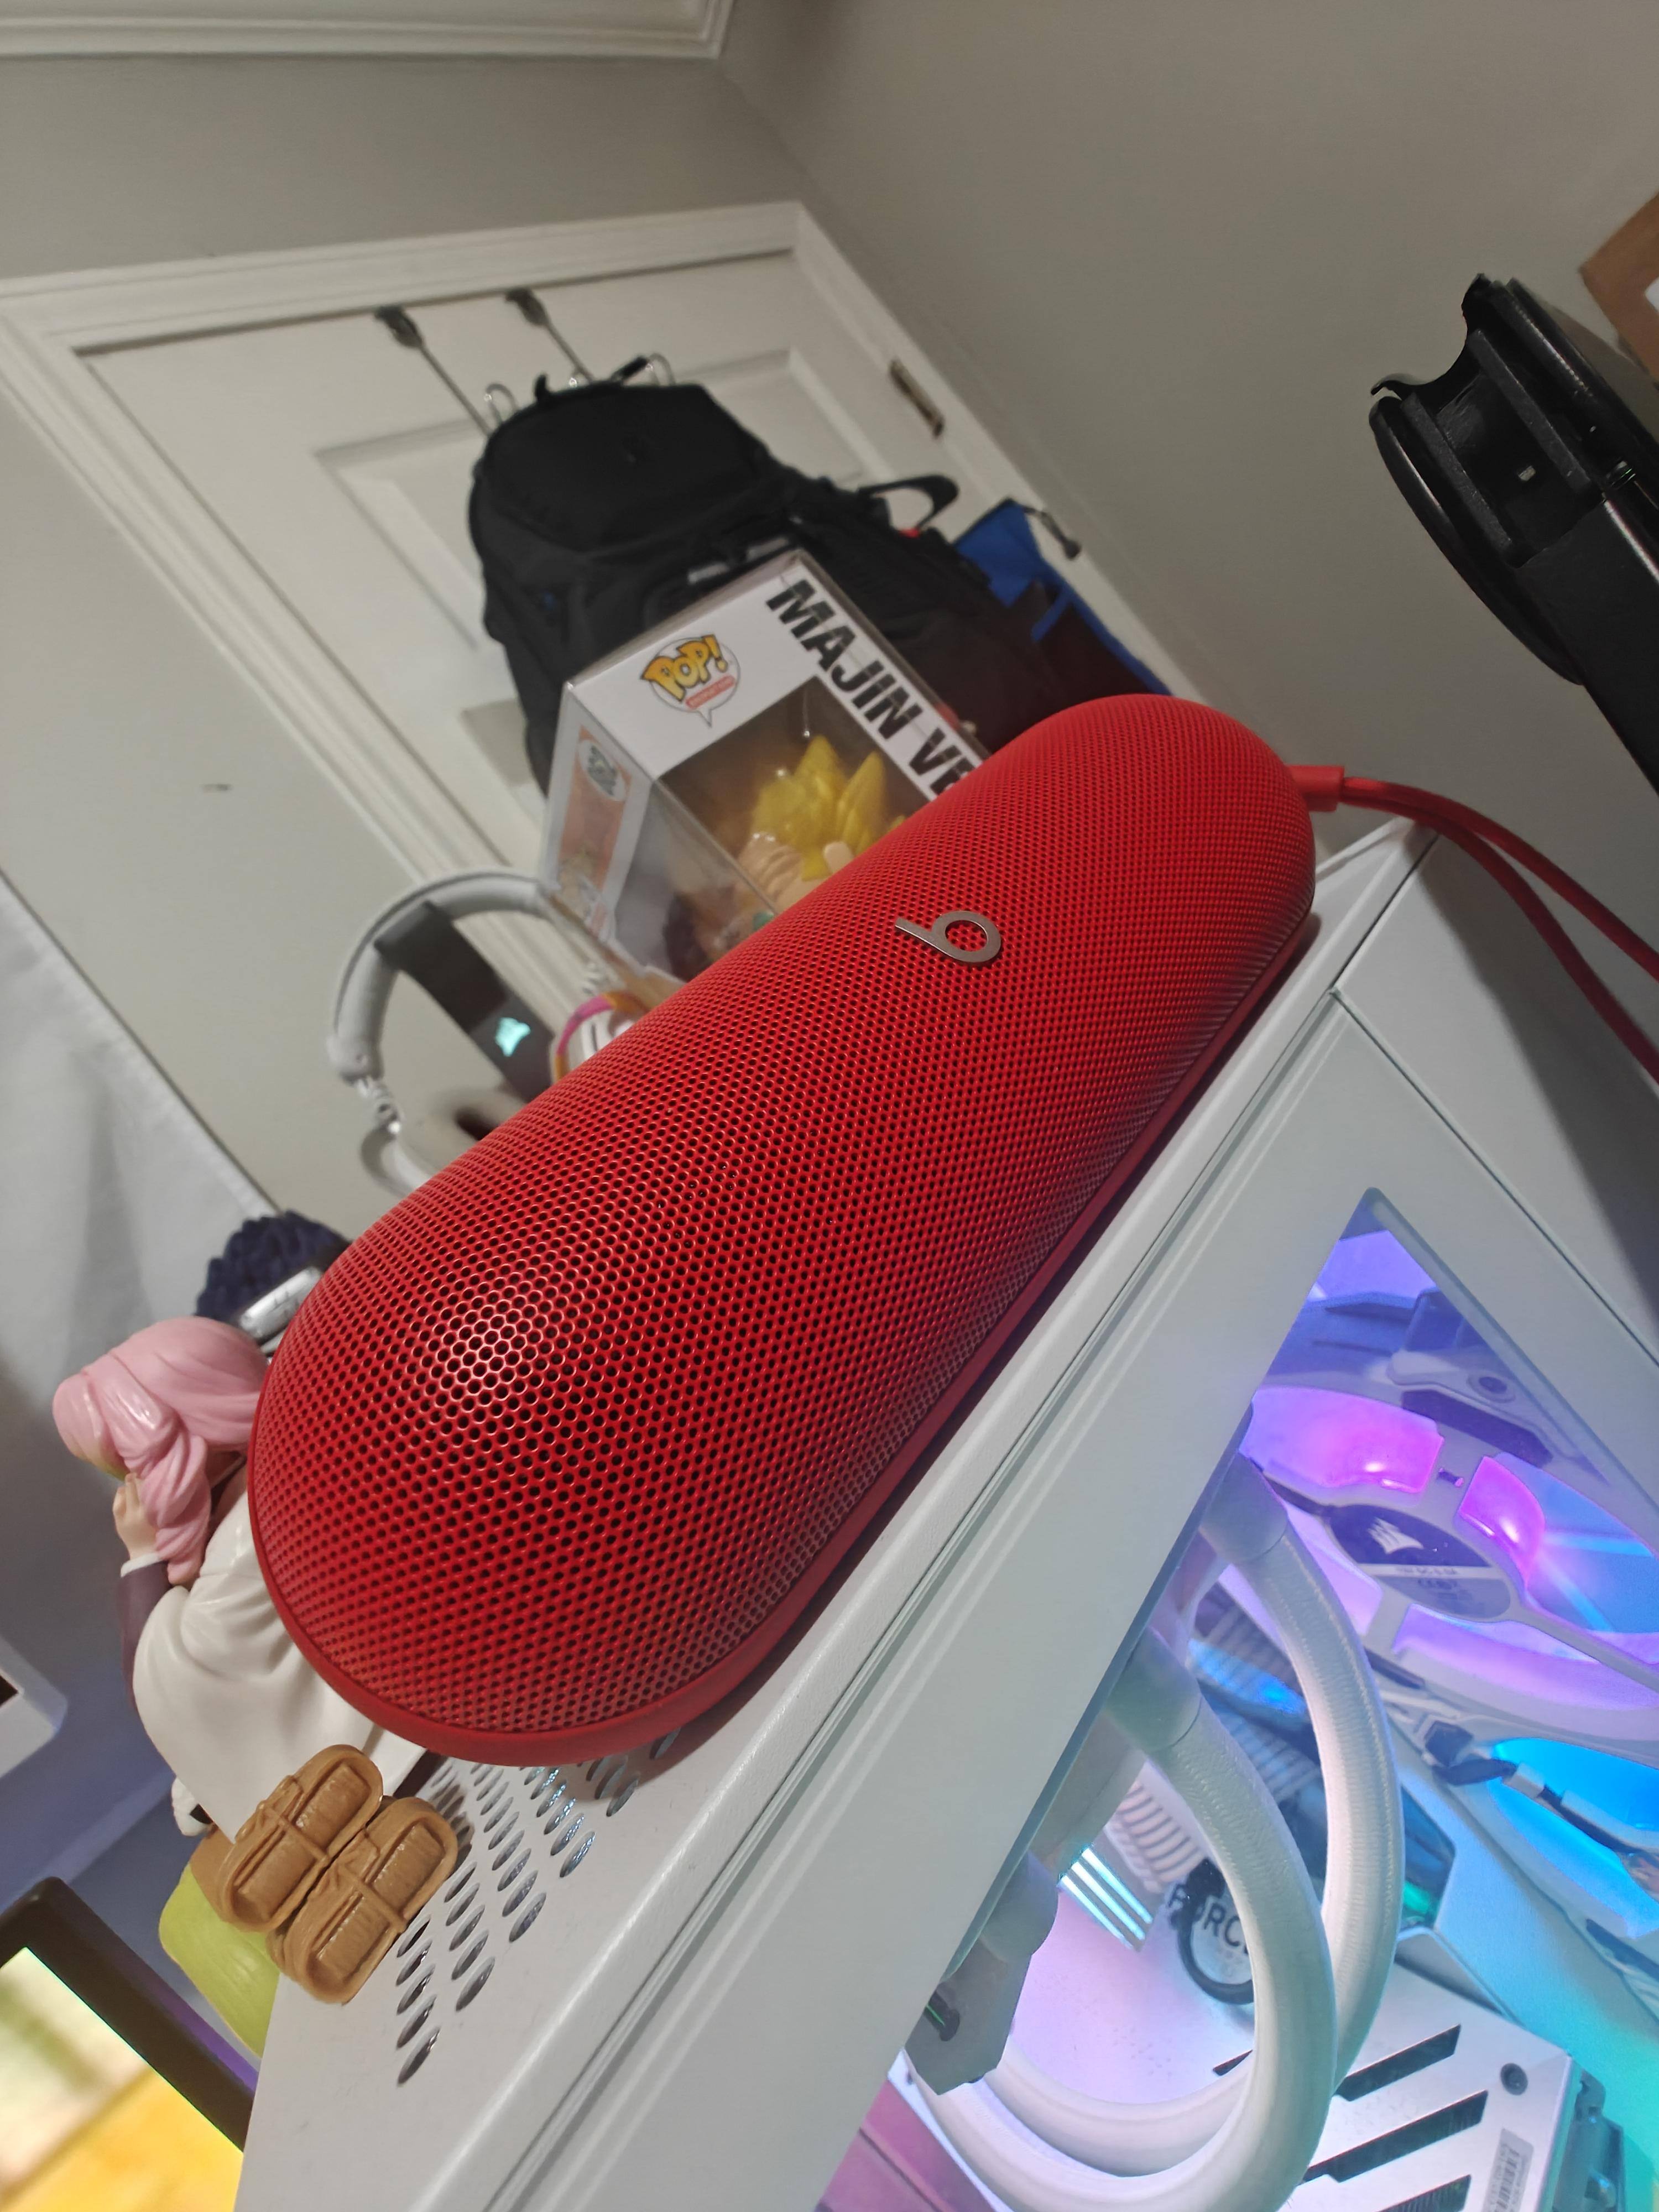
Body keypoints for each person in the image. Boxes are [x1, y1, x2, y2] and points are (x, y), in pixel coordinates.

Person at [53, 1316, 425, 1840]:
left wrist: (142, 1562)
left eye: (130, 1467)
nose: (131, 1488)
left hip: (395, 1760)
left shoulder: (251, 1531)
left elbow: (178, 1681)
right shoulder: (276, 1485)